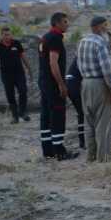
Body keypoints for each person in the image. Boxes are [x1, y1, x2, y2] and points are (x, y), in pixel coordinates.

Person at [66, 31, 111, 150]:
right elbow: (106, 71)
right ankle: (94, 147)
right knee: (89, 115)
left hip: (73, 82)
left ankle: (87, 145)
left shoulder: (89, 48)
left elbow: (105, 69)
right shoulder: (99, 49)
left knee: (85, 114)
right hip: (76, 83)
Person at [78, 17, 111, 162]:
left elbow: (79, 65)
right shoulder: (100, 43)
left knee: (90, 122)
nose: (106, 28)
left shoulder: (82, 41)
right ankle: (104, 159)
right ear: (96, 27)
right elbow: (107, 71)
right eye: (104, 26)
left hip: (85, 84)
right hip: (99, 85)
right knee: (104, 124)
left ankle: (91, 157)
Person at [38, 12, 78, 161]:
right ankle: (60, 152)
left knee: (46, 116)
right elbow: (53, 63)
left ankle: (47, 151)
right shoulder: (55, 38)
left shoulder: (45, 38)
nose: (68, 24)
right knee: (58, 115)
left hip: (43, 82)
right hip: (52, 83)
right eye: (65, 22)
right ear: (57, 23)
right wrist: (62, 85)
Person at [0, 27, 32, 123]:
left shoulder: (16, 43)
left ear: (11, 35)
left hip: (19, 73)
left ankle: (22, 112)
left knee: (23, 91)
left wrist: (29, 69)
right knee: (10, 95)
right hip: (6, 75)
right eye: (5, 35)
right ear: (1, 35)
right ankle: (15, 117)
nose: (7, 36)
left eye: (9, 34)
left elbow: (24, 57)